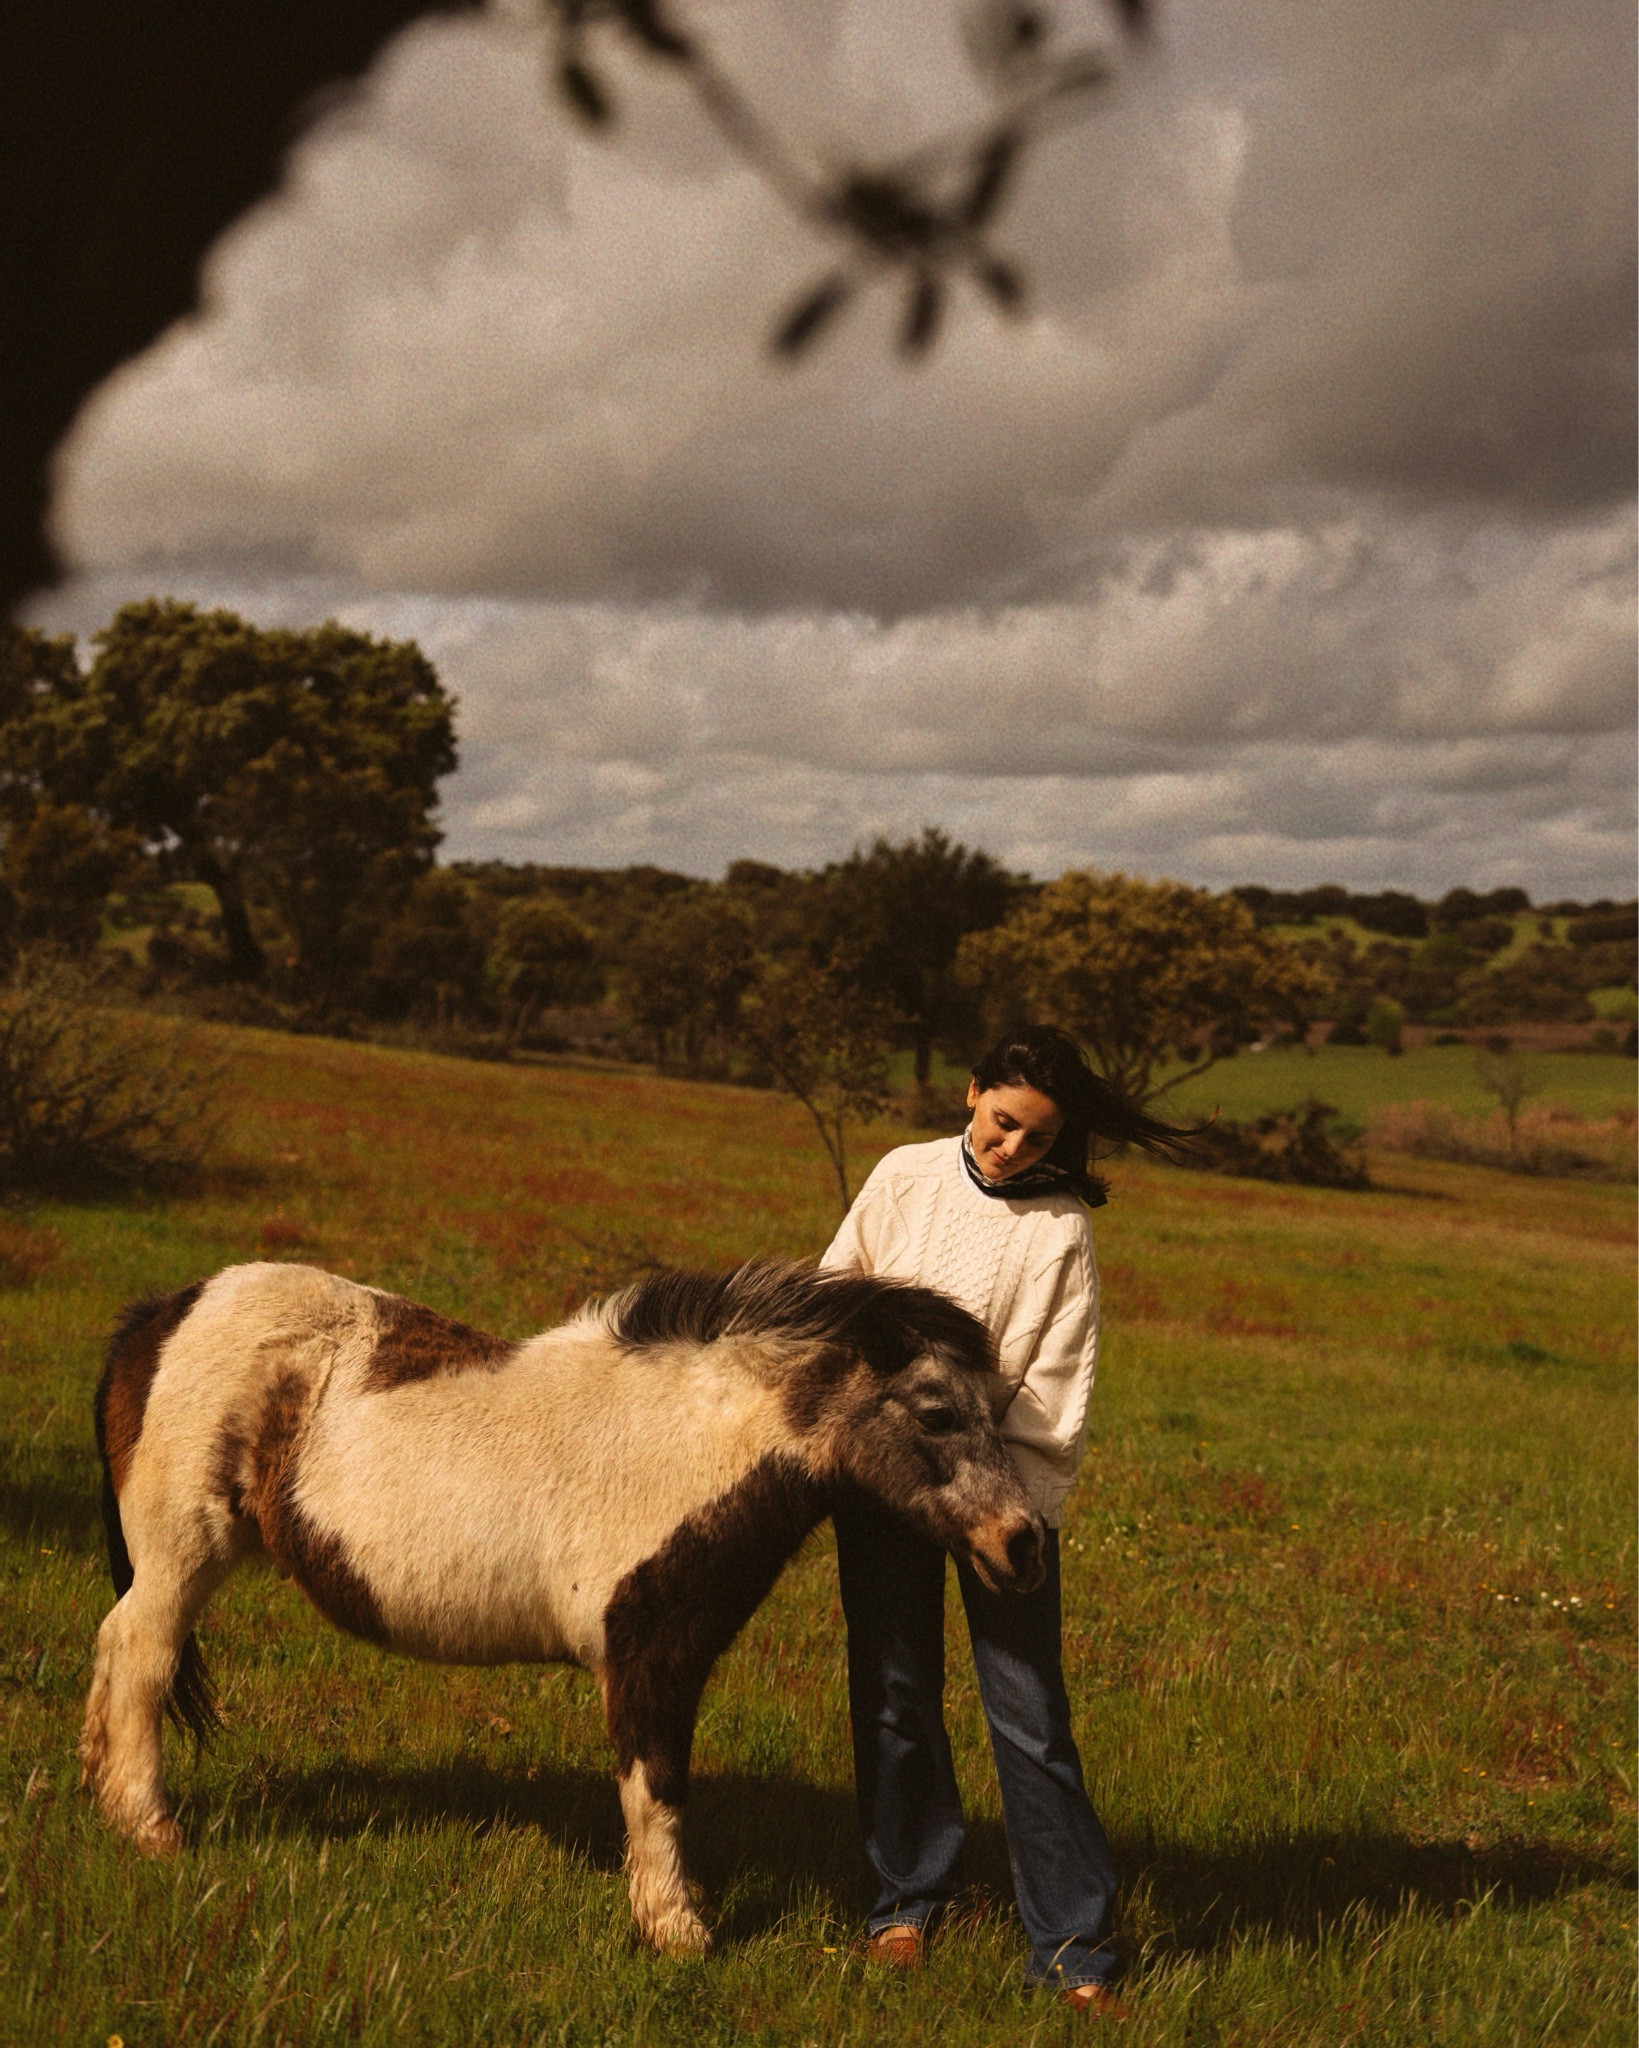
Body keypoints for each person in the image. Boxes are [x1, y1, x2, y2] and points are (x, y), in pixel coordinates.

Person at [820, 1024, 1195, 2013]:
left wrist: (1011, 1509)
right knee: (894, 1689)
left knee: (1028, 1718)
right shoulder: (902, 1175)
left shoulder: (1059, 1226)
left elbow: (1053, 1389)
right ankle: (904, 1900)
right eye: (1001, 1122)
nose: (1011, 1149)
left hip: (999, 1502)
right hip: (887, 1486)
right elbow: (832, 1303)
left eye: (1035, 1138)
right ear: (972, 1091)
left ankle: (1075, 1950)